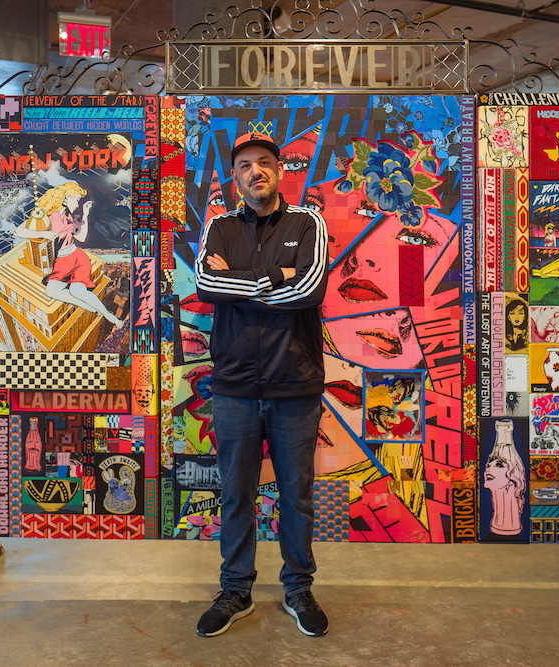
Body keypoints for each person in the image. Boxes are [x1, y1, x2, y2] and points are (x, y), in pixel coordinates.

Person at [193, 131, 330, 638]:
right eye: (246, 165)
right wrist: (276, 278)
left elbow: (310, 290)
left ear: (279, 171)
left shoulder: (307, 222)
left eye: (265, 162)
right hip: (233, 386)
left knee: (295, 494)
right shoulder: (219, 226)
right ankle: (236, 590)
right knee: (237, 495)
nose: (256, 171)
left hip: (295, 384)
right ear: (236, 177)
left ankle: (298, 589)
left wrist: (243, 281)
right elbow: (207, 285)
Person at [14, 182, 124, 328]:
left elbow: (82, 238)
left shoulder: (70, 217)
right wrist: (44, 233)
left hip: (77, 258)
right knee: (51, 291)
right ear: (65, 199)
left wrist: (85, 214)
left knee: (76, 290)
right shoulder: (48, 217)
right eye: (76, 199)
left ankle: (109, 316)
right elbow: (19, 231)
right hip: (62, 262)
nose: (78, 203)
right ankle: (91, 307)